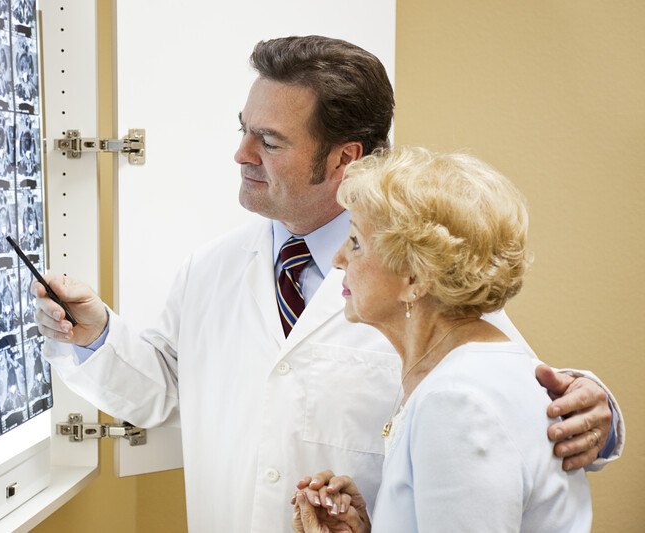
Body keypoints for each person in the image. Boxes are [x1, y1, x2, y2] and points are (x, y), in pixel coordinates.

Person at [34, 36, 623, 532]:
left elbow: (501, 385)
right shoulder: (211, 267)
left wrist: (591, 407)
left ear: (344, 158)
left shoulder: (416, 271)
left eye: (269, 141)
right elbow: (160, 389)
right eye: (244, 130)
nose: (240, 154)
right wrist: (95, 335)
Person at [292, 147, 594, 532]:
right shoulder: (468, 374)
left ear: (416, 279)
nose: (338, 258)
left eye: (355, 242)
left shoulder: (456, 402)